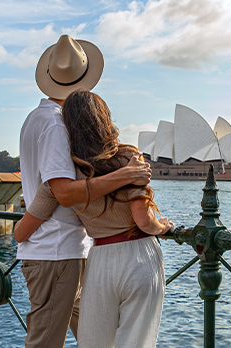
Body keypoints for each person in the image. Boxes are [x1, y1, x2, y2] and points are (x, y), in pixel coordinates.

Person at [18, 35, 151, 348]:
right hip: (57, 251)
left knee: (98, 339)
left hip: (60, 250)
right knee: (46, 343)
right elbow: (62, 191)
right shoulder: (53, 124)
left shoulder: (35, 118)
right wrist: (124, 175)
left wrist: (24, 228)